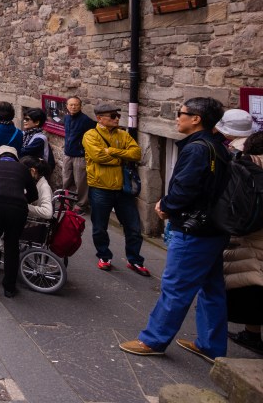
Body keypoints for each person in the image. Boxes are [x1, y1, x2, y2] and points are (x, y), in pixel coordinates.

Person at [121, 98, 231, 361]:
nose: (177, 118)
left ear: (196, 119)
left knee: (176, 287)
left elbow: (185, 188)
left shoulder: (196, 149)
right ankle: (211, 346)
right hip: (214, 229)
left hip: (194, 230)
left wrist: (165, 205)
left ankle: (154, 340)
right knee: (212, 289)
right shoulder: (217, 146)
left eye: (181, 114)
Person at [82, 102, 147, 275]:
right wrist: (121, 158)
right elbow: (98, 156)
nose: (117, 118)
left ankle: (134, 260)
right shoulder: (91, 135)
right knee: (100, 226)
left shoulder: (123, 134)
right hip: (100, 187)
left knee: (133, 227)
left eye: (117, 116)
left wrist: (111, 150)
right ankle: (104, 256)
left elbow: (136, 153)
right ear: (100, 118)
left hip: (123, 188)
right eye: (113, 116)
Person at [0, 146, 38, 298]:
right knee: (12, 245)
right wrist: (20, 200)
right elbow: (33, 194)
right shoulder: (23, 168)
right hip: (17, 208)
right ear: (15, 158)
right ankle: (9, 288)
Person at [223, 131, 263, 355]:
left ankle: (252, 334)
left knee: (252, 286)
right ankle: (252, 334)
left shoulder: (249, 164)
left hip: (252, 236)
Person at [62, 96, 96, 215]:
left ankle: (81, 205)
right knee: (66, 179)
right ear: (67, 106)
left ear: (80, 106)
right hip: (68, 154)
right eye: (71, 105)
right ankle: (67, 202)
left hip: (80, 156)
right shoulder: (66, 118)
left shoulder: (86, 120)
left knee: (81, 182)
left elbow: (93, 137)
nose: (73, 107)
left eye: (76, 105)